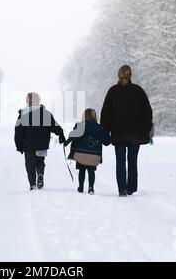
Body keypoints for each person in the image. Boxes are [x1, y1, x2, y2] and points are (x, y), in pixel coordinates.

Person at [100, 65, 153, 197]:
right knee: (132, 161)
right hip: (136, 134)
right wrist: (146, 128)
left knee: (120, 162)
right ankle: (131, 188)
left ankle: (122, 190)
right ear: (131, 75)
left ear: (118, 75)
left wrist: (106, 128)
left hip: (118, 134)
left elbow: (105, 113)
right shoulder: (138, 90)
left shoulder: (112, 91)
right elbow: (148, 112)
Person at [15, 92, 66, 190]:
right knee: (40, 161)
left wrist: (19, 145)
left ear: (27, 101)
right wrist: (61, 134)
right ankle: (41, 174)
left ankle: (32, 184)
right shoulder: (45, 113)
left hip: (28, 145)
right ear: (38, 100)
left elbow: (18, 132)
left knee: (30, 165)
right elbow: (54, 126)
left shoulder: (23, 114)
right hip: (42, 144)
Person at [65, 109, 110, 195]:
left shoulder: (81, 126)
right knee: (91, 170)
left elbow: (73, 136)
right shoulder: (100, 128)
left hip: (81, 153)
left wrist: (66, 142)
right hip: (94, 155)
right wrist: (107, 130)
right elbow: (107, 142)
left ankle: (81, 187)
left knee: (82, 170)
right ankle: (91, 188)